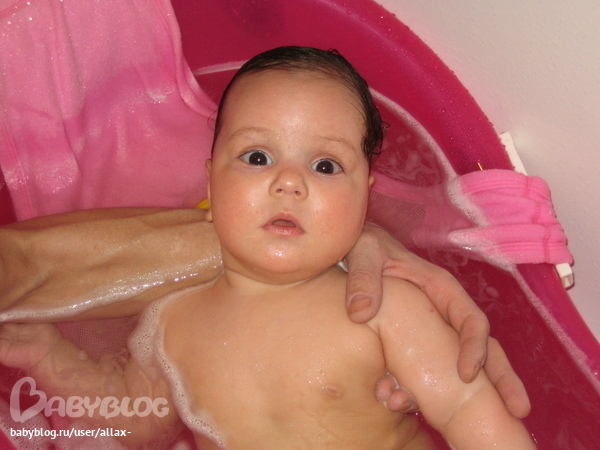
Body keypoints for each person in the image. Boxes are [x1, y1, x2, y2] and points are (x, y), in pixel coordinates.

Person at [0, 46, 534, 449]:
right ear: (211, 184)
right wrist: (49, 357)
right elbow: (134, 423)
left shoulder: (383, 307)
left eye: (325, 166)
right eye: (257, 157)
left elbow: (466, 410)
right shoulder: (171, 323)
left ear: (365, 196)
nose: (289, 182)